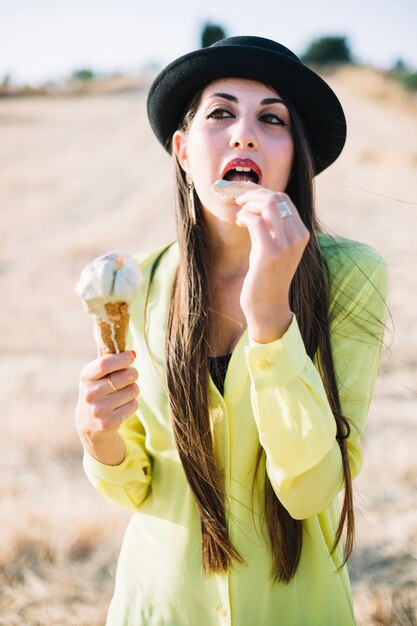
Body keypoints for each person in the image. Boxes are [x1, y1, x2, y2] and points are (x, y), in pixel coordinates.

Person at [75, 36, 388, 626]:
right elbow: (135, 490)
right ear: (183, 150)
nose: (244, 133)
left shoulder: (351, 275)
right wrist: (98, 437)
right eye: (221, 113)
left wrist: (271, 319)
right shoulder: (138, 286)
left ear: (295, 156)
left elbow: (310, 492)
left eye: (272, 120)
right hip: (157, 607)